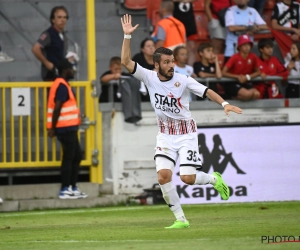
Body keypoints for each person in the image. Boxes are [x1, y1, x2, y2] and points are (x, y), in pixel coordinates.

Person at [121, 14, 242, 229]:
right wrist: (127, 36)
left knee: (187, 178)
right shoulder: (148, 77)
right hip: (165, 134)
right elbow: (125, 62)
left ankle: (215, 180)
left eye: (172, 61)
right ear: (156, 65)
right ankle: (181, 219)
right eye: (166, 62)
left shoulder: (183, 80)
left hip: (186, 134)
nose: (171, 65)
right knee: (163, 176)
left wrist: (225, 104)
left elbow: (207, 91)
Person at [47, 59, 87, 199]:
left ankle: (72, 187)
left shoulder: (63, 84)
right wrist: (52, 128)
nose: (73, 71)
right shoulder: (62, 85)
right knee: (69, 157)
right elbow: (57, 108)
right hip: (65, 127)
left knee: (76, 156)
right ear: (65, 70)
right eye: (71, 68)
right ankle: (65, 188)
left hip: (69, 126)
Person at [32, 6, 69, 81]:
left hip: (61, 75)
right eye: (59, 17)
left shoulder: (63, 35)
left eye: (65, 17)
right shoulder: (48, 34)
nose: (63, 20)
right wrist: (47, 63)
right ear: (53, 20)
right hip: (51, 75)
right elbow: (35, 49)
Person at [222, 35, 261, 100]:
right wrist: (237, 77)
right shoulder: (234, 57)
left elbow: (258, 71)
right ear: (239, 47)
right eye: (244, 45)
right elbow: (223, 72)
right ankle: (231, 98)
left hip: (246, 82)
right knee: (247, 94)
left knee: (257, 94)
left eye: (248, 45)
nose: (247, 47)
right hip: (233, 83)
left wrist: (247, 77)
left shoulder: (253, 56)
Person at [172, 0, 197, 65]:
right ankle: (177, 70)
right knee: (177, 48)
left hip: (190, 23)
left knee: (191, 48)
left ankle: (190, 70)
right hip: (176, 23)